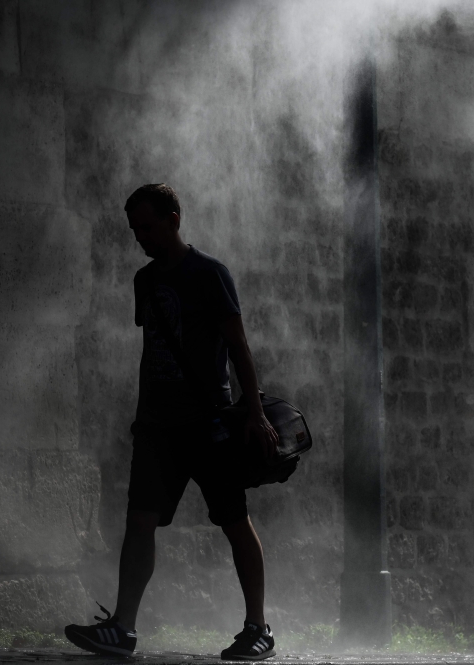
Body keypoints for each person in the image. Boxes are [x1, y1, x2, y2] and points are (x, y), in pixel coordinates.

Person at [64, 184, 280, 660]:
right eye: (134, 229)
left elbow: (237, 346)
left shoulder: (210, 274)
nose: (140, 237)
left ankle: (258, 628)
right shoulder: (143, 281)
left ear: (175, 219)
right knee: (139, 521)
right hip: (159, 428)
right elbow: (153, 353)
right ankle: (122, 627)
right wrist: (143, 417)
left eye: (148, 226)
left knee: (234, 521)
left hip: (209, 424)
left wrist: (255, 413)